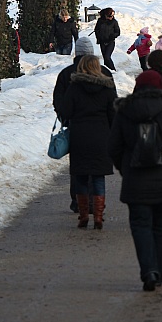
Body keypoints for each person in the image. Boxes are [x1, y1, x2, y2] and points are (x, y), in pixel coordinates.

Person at [109, 69, 162, 290]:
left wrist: (124, 168)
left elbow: (114, 146)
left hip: (136, 179)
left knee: (140, 225)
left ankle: (148, 270)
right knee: (161, 227)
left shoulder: (124, 112)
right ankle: (159, 273)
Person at [53, 36, 112, 213]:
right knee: (98, 170)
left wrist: (65, 119)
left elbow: (60, 103)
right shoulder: (105, 74)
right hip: (101, 130)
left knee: (79, 168)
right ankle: (97, 208)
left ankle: (79, 203)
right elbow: (112, 105)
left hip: (77, 129)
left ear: (77, 53)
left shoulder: (67, 75)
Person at [59, 54, 117, 229]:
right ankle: (98, 216)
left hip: (80, 136)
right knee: (98, 177)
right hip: (101, 136)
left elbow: (66, 112)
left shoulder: (75, 88)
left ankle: (83, 215)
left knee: (81, 177)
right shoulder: (107, 87)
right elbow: (113, 113)